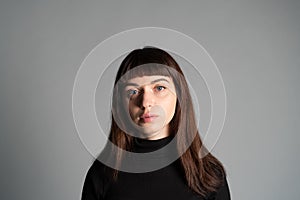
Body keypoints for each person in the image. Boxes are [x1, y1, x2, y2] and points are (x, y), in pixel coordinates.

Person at [81, 47, 231, 200]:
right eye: (133, 91)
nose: (146, 102)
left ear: (180, 96)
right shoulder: (101, 174)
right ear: (121, 104)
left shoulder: (209, 174)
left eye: (159, 88)